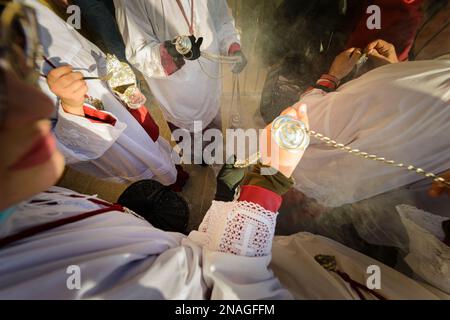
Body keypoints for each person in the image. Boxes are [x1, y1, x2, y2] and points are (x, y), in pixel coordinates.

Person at [1, 1, 448, 300]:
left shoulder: (35, 208)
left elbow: (221, 19)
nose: (34, 106)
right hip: (176, 91)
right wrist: (171, 55)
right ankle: (185, 165)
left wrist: (231, 44)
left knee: (202, 128)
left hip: (208, 88)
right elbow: (232, 296)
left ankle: (191, 162)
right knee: (180, 136)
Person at [26, 0, 190, 189]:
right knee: (137, 158)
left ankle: (175, 171)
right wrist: (71, 106)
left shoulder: (27, 9)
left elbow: (79, 44)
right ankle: (164, 187)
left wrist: (120, 81)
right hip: (87, 126)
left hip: (107, 88)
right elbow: (45, 145)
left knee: (148, 133)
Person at [291, 39, 450, 208]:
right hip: (348, 210)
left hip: (291, 185)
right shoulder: (422, 85)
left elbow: (297, 122)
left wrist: (332, 77)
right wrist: (396, 69)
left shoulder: (397, 83)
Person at [113, 0, 248, 134]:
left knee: (215, 140)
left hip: (211, 87)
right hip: (179, 97)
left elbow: (221, 19)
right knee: (195, 151)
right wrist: (173, 51)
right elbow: (138, 51)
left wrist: (232, 44)